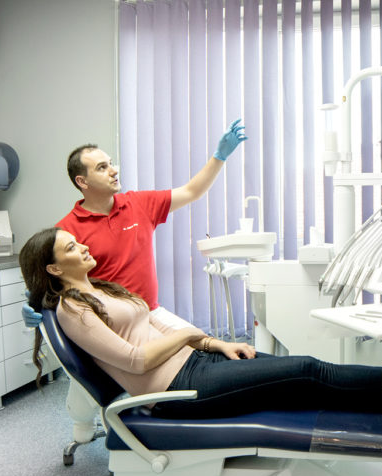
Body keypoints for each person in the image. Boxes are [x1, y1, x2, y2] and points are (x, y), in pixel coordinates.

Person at [20, 227, 382, 418]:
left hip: (197, 365)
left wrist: (215, 344)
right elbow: (135, 361)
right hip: (177, 391)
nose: (82, 247)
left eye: (78, 242)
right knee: (306, 370)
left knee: (300, 375)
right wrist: (190, 335)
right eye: (71, 248)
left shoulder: (102, 289)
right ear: (54, 268)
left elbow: (154, 328)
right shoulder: (72, 309)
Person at [22, 118, 246, 327]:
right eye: (102, 168)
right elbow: (51, 282)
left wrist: (219, 156)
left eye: (111, 163)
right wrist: (36, 305)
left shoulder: (139, 204)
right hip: (111, 323)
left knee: (206, 345)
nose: (114, 171)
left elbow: (191, 191)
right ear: (82, 181)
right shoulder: (66, 232)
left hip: (151, 313)